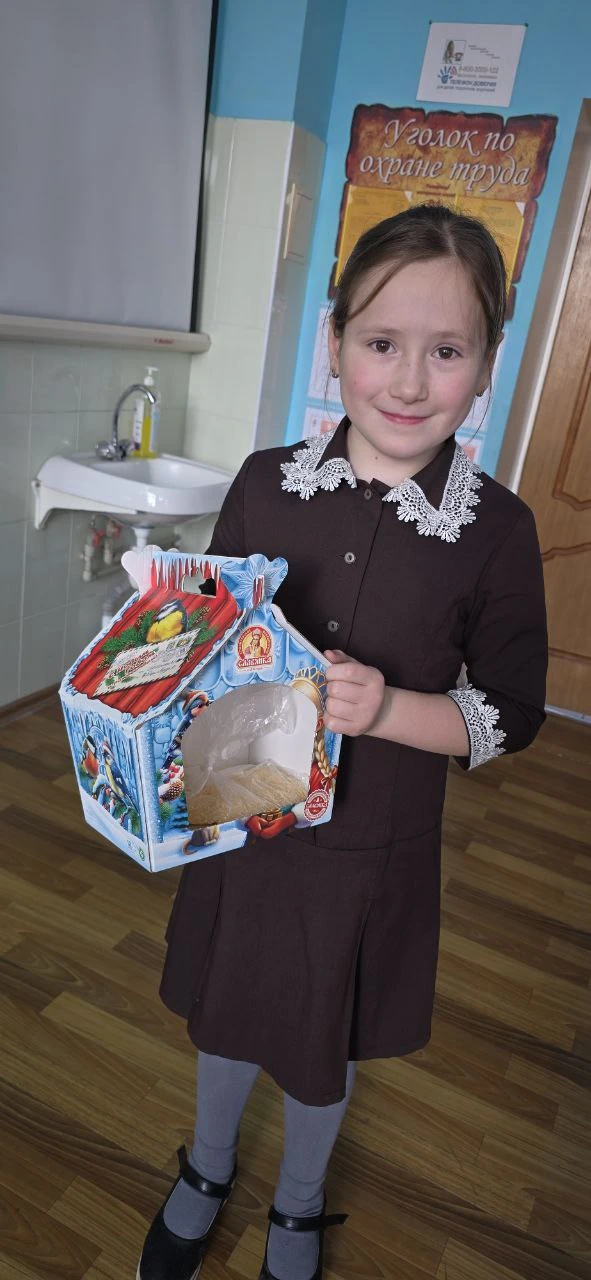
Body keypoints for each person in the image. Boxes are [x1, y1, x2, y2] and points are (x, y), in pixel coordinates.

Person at [137, 204, 548, 1280]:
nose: (409, 381)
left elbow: (511, 709)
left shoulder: (496, 530)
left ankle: (300, 1204)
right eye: (380, 342)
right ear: (334, 343)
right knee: (228, 1012)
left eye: (446, 351)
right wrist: (152, 652)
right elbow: (206, 637)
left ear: (487, 363)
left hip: (371, 851)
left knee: (321, 1037)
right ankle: (207, 1167)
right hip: (244, 824)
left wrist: (391, 710)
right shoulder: (264, 482)